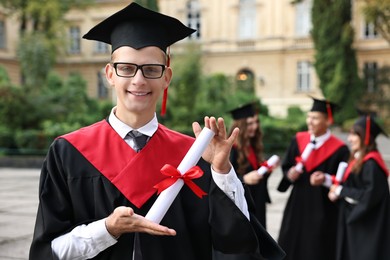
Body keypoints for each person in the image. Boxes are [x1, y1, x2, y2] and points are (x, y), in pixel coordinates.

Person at [29, 3, 285, 260]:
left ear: (167, 77)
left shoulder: (195, 156)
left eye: (151, 69)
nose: (139, 80)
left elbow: (236, 241)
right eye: (127, 68)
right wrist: (107, 229)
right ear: (110, 74)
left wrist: (221, 172)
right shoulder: (68, 153)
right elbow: (49, 250)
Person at [276, 97, 350, 260]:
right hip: (298, 204)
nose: (310, 121)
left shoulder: (340, 149)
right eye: (309, 117)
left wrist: (325, 178)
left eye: (315, 118)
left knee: (318, 246)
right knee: (291, 240)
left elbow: (344, 179)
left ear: (328, 120)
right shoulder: (298, 140)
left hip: (323, 207)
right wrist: (290, 174)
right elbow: (287, 166)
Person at [213, 102, 273, 260]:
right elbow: (222, 178)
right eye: (250, 123)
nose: (254, 126)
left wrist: (266, 170)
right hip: (241, 203)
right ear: (241, 125)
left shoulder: (252, 146)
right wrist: (245, 179)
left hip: (256, 200)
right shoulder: (231, 148)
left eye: (256, 122)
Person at [327, 113, 390, 260]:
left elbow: (370, 195)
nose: (349, 139)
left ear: (366, 137)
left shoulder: (371, 165)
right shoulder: (359, 160)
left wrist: (342, 190)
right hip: (355, 222)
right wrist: (336, 189)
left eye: (354, 135)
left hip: (366, 227)